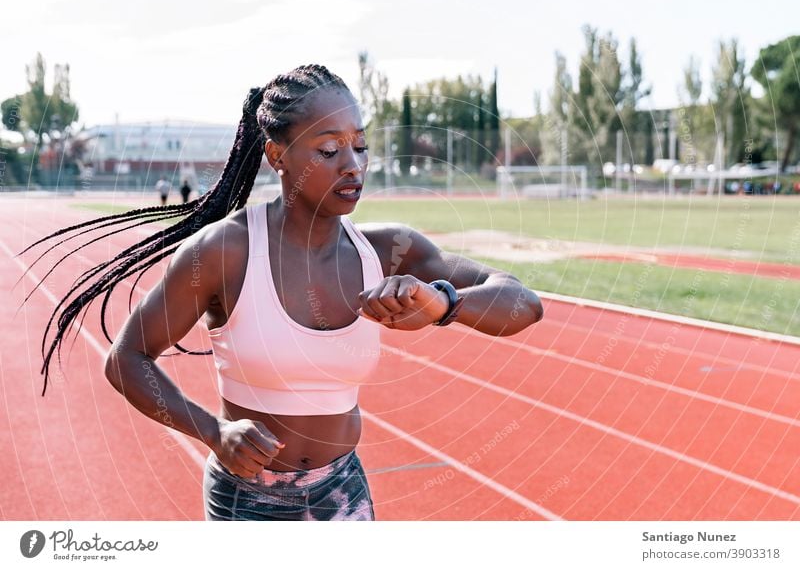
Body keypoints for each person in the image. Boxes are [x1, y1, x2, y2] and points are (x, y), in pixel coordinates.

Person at [20, 64, 544, 521]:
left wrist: (444, 303)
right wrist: (211, 431)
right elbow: (126, 358)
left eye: (360, 144)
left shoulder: (387, 250)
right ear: (278, 155)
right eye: (330, 149)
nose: (354, 165)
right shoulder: (225, 251)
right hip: (245, 502)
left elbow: (523, 302)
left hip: (344, 495)